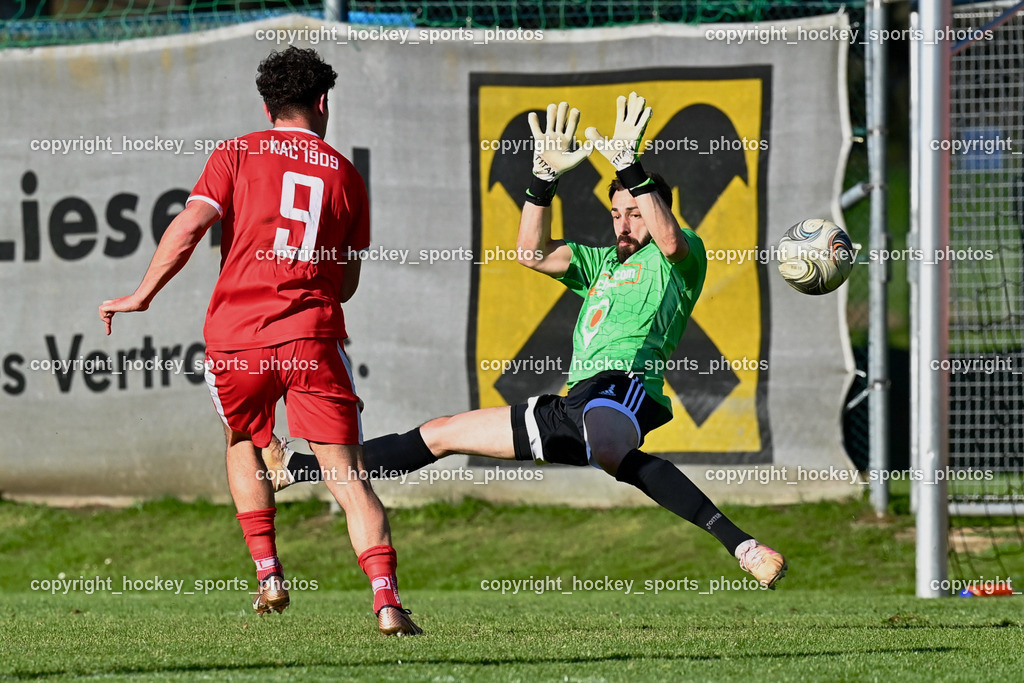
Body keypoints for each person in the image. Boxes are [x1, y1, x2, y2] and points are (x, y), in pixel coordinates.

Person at [265, 93, 787, 590]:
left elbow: (668, 239)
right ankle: (296, 468)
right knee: (441, 433)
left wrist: (631, 167)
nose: (624, 224)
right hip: (574, 405)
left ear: (655, 208)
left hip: (625, 388)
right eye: (616, 214)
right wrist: (542, 180)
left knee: (610, 448)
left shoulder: (682, 255)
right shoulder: (601, 263)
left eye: (634, 212)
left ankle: (743, 547)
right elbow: (530, 253)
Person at [99, 47, 422, 635]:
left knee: (241, 440)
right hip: (312, 339)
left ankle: (269, 574)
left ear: (268, 107)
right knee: (348, 476)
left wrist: (142, 294)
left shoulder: (236, 152)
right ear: (322, 102)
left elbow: (189, 227)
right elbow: (347, 285)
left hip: (238, 339)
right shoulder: (346, 175)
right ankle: (387, 602)